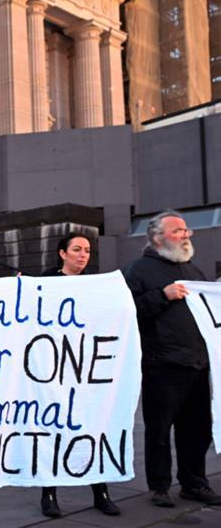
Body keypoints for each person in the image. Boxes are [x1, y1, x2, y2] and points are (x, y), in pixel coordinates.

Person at [123, 210, 221, 508]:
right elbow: (127, 313)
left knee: (198, 429)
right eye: (178, 231)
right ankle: (160, 487)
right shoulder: (138, 270)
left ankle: (194, 483)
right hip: (161, 365)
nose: (186, 235)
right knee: (159, 431)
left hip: (197, 363)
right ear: (157, 237)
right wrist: (162, 295)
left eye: (186, 230)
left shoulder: (193, 270)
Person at [37, 233, 120, 517]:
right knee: (52, 429)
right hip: (54, 368)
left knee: (93, 427)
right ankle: (49, 494)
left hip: (87, 367)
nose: (83, 255)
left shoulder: (95, 285)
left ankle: (101, 492)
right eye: (76, 249)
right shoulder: (45, 282)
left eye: (87, 250)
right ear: (62, 253)